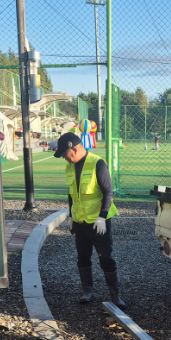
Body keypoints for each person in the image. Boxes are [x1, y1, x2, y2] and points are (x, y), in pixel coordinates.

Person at [53, 132, 126, 309]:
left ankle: (115, 296)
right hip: (79, 222)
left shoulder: (97, 164)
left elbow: (108, 191)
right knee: (82, 257)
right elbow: (71, 194)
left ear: (75, 149)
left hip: (97, 222)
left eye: (65, 155)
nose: (65, 159)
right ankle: (87, 291)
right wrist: (70, 216)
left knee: (106, 258)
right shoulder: (70, 167)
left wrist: (102, 216)